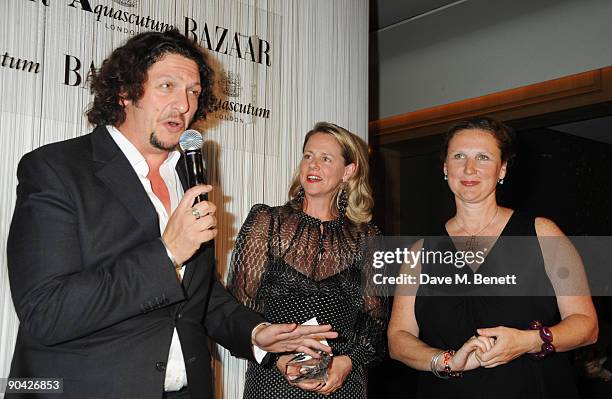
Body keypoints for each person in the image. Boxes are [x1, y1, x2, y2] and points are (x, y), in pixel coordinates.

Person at [5, 30, 337, 399]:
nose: (183, 103)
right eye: (167, 85)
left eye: (193, 91)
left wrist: (254, 333)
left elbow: (199, 294)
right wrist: (166, 254)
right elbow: (46, 312)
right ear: (125, 92)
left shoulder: (188, 175)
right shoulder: (56, 169)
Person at [387, 117, 598, 398]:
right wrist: (447, 361)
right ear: (445, 168)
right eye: (459, 156)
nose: (469, 168)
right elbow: (398, 339)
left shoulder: (542, 233)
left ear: (502, 169)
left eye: (483, 157)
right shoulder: (419, 252)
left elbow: (586, 325)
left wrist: (528, 341)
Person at [227, 122, 388, 398]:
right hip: (274, 382)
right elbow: (236, 314)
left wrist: (346, 363)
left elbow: (377, 323)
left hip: (340, 383)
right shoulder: (267, 222)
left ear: (348, 171)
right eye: (308, 156)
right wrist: (278, 360)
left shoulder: (368, 238)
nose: (313, 165)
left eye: (326, 158)